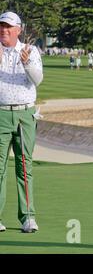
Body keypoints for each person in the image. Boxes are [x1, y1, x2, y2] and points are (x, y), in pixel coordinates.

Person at [0, 12, 43, 233]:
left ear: (18, 29)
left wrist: (26, 64)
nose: (4, 30)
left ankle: (27, 217)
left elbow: (37, 79)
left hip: (25, 115)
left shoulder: (30, 50)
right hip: (0, 115)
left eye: (8, 27)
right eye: (1, 26)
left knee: (24, 166)